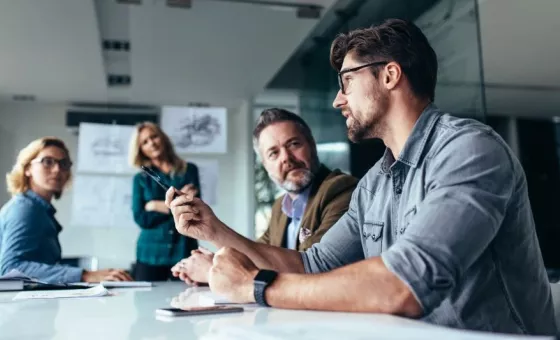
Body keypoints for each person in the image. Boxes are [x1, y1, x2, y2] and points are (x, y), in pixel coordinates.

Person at [164, 18, 556, 335]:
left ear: (389, 76)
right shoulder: (374, 183)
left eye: (347, 81)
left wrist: (255, 286)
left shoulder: (469, 150)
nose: (338, 99)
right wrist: (213, 230)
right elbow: (312, 265)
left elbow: (403, 285)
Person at [170, 108, 358, 284]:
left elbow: (311, 270)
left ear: (312, 146)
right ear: (266, 166)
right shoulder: (281, 207)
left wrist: (213, 269)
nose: (286, 157)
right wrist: (216, 261)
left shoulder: (341, 190)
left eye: (293, 144)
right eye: (273, 153)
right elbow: (257, 256)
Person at [0, 137, 132, 283]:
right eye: (47, 162)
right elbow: (11, 268)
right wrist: (84, 275)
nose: (57, 169)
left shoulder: (39, 210)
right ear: (27, 169)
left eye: (63, 164)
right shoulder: (25, 209)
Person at [129, 122, 200, 281]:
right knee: (145, 303)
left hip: (183, 249)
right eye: (145, 142)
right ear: (140, 149)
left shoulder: (189, 170)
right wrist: (176, 205)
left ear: (163, 138)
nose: (151, 143)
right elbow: (141, 218)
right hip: (150, 253)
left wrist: (154, 205)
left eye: (154, 137)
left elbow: (193, 211)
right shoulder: (140, 179)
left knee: (186, 299)